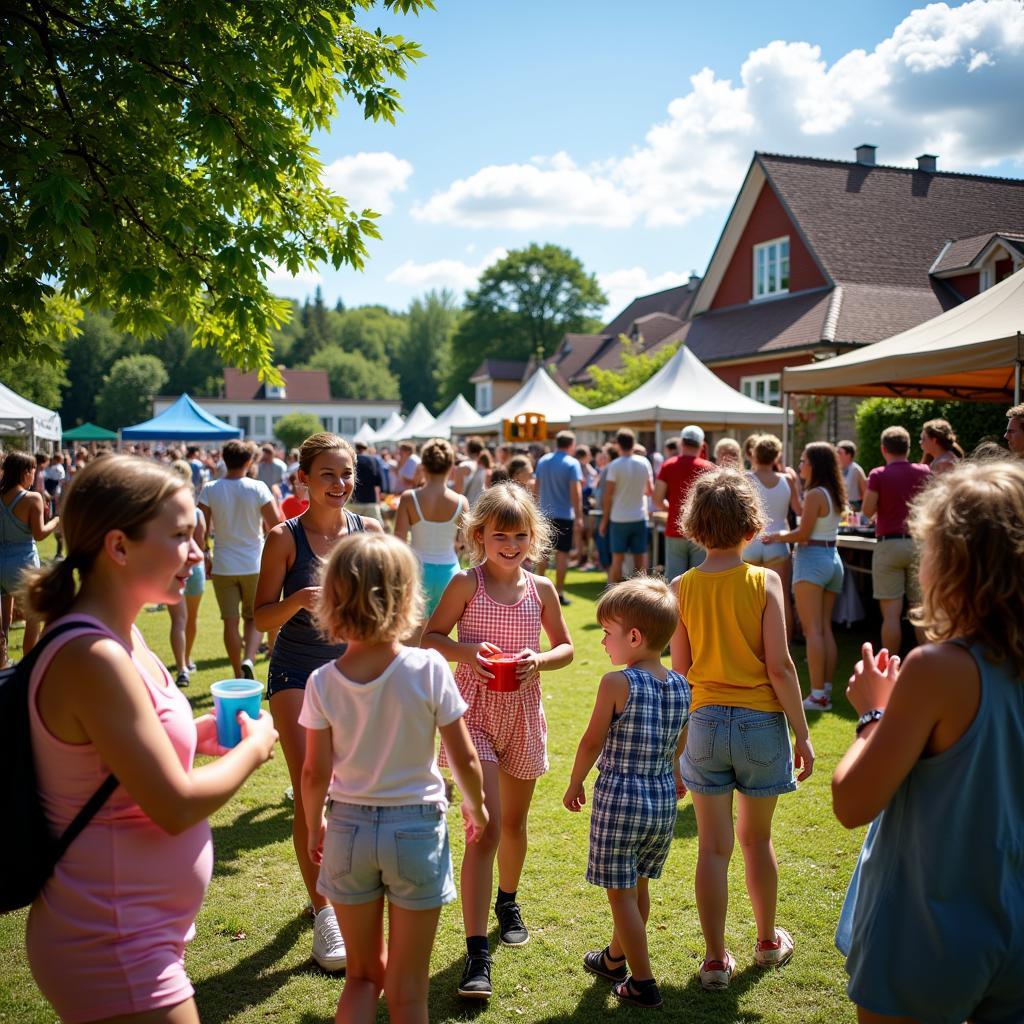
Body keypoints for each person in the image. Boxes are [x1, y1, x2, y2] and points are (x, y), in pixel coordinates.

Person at [23, 455, 278, 1024]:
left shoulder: (124, 633)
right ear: (118, 546)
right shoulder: (93, 655)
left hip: (137, 928)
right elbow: (174, 804)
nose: (197, 553)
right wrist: (254, 748)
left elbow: (121, 757)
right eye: (182, 536)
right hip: (112, 938)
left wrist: (200, 731)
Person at [833, 459, 1024, 1024]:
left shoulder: (939, 669)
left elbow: (853, 802)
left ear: (950, 559)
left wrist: (873, 709)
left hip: (929, 928)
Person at [300, 532, 487, 1024]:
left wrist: (315, 823)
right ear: (408, 597)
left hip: (346, 831)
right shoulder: (428, 668)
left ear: (333, 599)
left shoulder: (322, 682)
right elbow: (463, 757)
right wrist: (476, 808)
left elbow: (314, 771)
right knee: (408, 991)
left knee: (362, 978)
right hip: (416, 831)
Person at [423, 484, 574, 1000]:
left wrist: (539, 661)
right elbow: (430, 639)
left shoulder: (542, 590)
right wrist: (467, 652)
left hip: (524, 714)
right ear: (478, 536)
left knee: (513, 825)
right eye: (499, 535)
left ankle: (507, 900)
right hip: (475, 716)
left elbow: (567, 648)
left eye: (520, 534)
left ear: (533, 538)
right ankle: (476, 953)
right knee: (482, 830)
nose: (510, 544)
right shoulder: (467, 584)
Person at [672, 469, 814, 991]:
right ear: (751, 525)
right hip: (760, 724)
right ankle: (766, 941)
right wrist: (803, 732)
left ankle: (713, 960)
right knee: (757, 841)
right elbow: (780, 666)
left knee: (713, 848)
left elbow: (682, 673)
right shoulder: (765, 580)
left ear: (694, 526)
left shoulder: (681, 587)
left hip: (705, 723)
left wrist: (677, 747)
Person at [253, 432, 382, 971]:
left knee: (351, 789)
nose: (341, 483)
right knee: (312, 782)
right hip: (295, 671)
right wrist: (298, 601)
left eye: (347, 473)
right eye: (328, 473)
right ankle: (323, 911)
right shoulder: (285, 539)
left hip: (354, 674)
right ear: (302, 478)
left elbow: (388, 604)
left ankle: (347, 885)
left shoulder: (369, 531)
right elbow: (260, 618)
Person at [564, 577, 690, 1010]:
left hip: (621, 799)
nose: (602, 642)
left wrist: (576, 779)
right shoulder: (681, 685)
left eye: (607, 633)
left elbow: (591, 741)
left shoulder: (617, 683)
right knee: (636, 889)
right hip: (660, 801)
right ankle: (615, 959)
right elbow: (679, 742)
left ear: (634, 637)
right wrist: (676, 775)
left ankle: (643, 982)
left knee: (619, 896)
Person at [765, 443, 847, 711]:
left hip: (812, 560)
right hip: (833, 559)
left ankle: (817, 695)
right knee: (823, 628)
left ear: (814, 464)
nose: (800, 466)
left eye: (803, 461)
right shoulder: (834, 492)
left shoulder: (815, 494)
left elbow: (803, 534)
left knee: (813, 631)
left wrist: (776, 537)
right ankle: (824, 691)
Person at [198, 440, 281, 680]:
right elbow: (275, 525)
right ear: (249, 461)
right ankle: (249, 659)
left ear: (223, 459)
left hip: (223, 563)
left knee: (230, 622)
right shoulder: (258, 488)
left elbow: (199, 527)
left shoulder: (210, 489)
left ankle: (237, 674)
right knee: (254, 618)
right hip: (254, 563)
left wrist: (205, 553)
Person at [861, 426, 930, 658]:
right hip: (918, 544)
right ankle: (929, 666)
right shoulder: (924, 471)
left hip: (889, 544)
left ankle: (891, 668)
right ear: (908, 448)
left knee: (891, 616)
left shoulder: (878, 474)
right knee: (919, 611)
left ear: (883, 449)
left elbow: (867, 510)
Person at [393, 438, 468, 630]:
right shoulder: (461, 502)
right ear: (451, 466)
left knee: (411, 641)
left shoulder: (409, 498)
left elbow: (398, 541)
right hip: (450, 574)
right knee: (439, 640)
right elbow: (463, 543)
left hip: (417, 571)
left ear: (422, 466)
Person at [1, 450, 59, 663]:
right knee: (34, 618)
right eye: (33, 470)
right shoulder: (32, 498)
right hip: (23, 562)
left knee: (4, 621)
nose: (34, 475)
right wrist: (55, 520)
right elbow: (40, 534)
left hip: (1, 561)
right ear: (25, 472)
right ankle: (29, 667)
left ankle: (3, 663)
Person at [743, 435, 795, 640]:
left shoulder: (747, 478)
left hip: (753, 541)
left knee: (751, 600)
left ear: (754, 454)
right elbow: (799, 509)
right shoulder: (788, 479)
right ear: (777, 455)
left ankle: (753, 643)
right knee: (781, 599)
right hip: (778, 543)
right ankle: (786, 643)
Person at [655, 424, 714, 581]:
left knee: (674, 581)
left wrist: (670, 508)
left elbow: (657, 498)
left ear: (682, 443)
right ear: (701, 445)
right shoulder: (708, 468)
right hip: (701, 530)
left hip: (675, 528)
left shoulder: (668, 465)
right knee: (701, 579)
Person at [166, 460, 207, 687]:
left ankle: (182, 665)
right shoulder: (196, 511)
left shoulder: (163, 511)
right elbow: (200, 544)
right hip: (193, 569)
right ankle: (186, 661)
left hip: (173, 567)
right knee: (190, 619)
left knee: (178, 621)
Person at [534, 431, 583, 606]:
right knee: (562, 554)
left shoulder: (543, 460)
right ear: (571, 444)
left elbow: (536, 488)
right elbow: (575, 491)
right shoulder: (572, 463)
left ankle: (537, 591)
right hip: (564, 515)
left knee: (543, 553)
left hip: (544, 514)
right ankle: (559, 592)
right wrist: (579, 516)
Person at [602, 429, 654, 584]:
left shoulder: (615, 465)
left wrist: (605, 519)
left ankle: (613, 593)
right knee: (640, 558)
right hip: (639, 516)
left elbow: (608, 494)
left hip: (619, 518)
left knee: (617, 559)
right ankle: (643, 594)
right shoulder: (644, 462)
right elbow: (649, 490)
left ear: (618, 444)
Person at [348, 440, 383, 522]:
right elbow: (378, 481)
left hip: (355, 500)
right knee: (375, 530)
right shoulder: (373, 460)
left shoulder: (352, 460)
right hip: (370, 500)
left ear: (356, 448)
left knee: (353, 529)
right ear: (366, 448)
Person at [454, 437, 489, 508]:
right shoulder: (483, 466)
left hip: (465, 509)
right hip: (477, 508)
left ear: (467, 449)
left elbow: (457, 495)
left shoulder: (464, 466)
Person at [836, 441, 867, 511]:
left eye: (839, 453)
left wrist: (863, 512)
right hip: (840, 505)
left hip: (854, 507)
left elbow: (865, 492)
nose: (837, 455)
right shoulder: (837, 470)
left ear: (849, 455)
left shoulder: (856, 470)